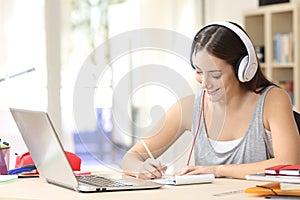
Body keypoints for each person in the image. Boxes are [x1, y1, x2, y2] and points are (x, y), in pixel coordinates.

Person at [121, 21, 300, 180]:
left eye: (215, 74)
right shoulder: (191, 107)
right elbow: (132, 156)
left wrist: (218, 170)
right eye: (199, 71)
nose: (205, 83)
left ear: (244, 69)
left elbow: (289, 162)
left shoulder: (272, 100)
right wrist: (140, 168)